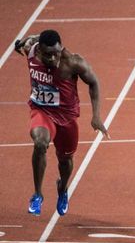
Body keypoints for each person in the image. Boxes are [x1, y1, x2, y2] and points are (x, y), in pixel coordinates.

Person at [14, 30, 109, 216]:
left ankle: (63, 188)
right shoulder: (31, 50)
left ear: (61, 48)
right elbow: (30, 39)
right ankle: (37, 194)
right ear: (39, 49)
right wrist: (23, 41)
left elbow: (94, 82)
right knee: (40, 143)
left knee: (65, 161)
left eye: (56, 53)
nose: (52, 58)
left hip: (66, 117)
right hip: (41, 111)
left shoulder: (72, 62)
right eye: (47, 54)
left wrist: (96, 116)